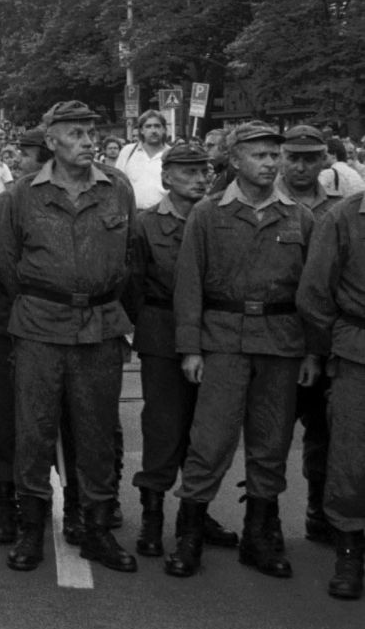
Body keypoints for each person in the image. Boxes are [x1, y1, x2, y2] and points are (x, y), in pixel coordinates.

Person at [163, 123, 317, 580]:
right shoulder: (208, 214)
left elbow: (311, 291)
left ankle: (259, 536)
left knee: (271, 444)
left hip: (282, 342)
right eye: (260, 155)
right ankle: (189, 533)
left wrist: (312, 352)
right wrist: (190, 348)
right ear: (234, 161)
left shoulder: (299, 217)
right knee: (210, 441)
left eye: (275, 155)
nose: (270, 163)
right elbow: (188, 284)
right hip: (224, 340)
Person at [0, 101, 136, 575]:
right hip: (39, 325)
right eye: (74, 134)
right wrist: (49, 298)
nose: (87, 141)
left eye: (90, 133)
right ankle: (31, 528)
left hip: (99, 326)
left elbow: (128, 257)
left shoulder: (117, 188)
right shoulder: (19, 196)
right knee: (33, 430)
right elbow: (8, 266)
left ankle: (95, 527)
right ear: (51, 141)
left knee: (96, 432)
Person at [127, 141, 237, 560]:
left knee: (207, 431)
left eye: (204, 170)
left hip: (217, 334)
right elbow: (133, 283)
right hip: (162, 334)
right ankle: (152, 516)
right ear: (166, 177)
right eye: (188, 171)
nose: (199, 178)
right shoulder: (146, 224)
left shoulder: (222, 219)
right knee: (163, 426)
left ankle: (197, 512)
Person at [0, 127, 50, 545]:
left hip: (57, 327)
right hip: (10, 323)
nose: (20, 162)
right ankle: (7, 503)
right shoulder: (9, 201)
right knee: (3, 419)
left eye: (27, 154)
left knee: (57, 419)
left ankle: (64, 502)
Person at [297, 180, 365, 599]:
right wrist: (328, 346)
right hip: (357, 352)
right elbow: (314, 293)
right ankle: (349, 549)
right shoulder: (344, 216)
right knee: (351, 457)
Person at [282, 124, 347, 544]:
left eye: (312, 157)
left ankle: (319, 509)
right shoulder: (263, 203)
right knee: (269, 432)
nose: (302, 165)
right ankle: (262, 515)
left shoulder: (341, 209)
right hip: (279, 335)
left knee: (327, 432)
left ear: (326, 159)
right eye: (294, 157)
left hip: (326, 339)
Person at [116, 110, 172, 210]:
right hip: (132, 215)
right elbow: (117, 184)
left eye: (157, 126)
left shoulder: (172, 154)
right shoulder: (128, 152)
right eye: (148, 126)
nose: (153, 130)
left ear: (164, 129)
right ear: (141, 130)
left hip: (164, 216)